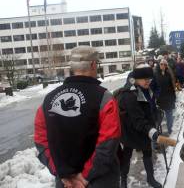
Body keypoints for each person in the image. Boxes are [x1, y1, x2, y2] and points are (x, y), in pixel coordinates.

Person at [34, 46, 121, 188]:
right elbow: (108, 143)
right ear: (93, 65)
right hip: (99, 180)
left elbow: (41, 141)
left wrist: (62, 173)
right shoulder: (104, 98)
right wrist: (83, 176)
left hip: (65, 182)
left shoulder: (48, 100)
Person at [118, 64, 162, 188]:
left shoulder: (147, 87)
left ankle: (150, 178)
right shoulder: (129, 94)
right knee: (126, 157)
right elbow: (137, 120)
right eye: (144, 78)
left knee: (147, 153)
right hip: (130, 131)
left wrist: (155, 113)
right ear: (136, 78)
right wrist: (151, 130)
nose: (148, 81)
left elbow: (150, 106)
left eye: (150, 78)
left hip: (145, 128)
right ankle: (123, 180)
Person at [154, 59, 176, 134]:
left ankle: (170, 130)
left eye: (165, 64)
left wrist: (173, 96)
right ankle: (158, 133)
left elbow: (171, 86)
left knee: (169, 115)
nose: (163, 66)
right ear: (159, 65)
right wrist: (156, 96)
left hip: (169, 98)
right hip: (160, 99)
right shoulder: (155, 74)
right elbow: (153, 87)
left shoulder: (168, 74)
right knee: (159, 118)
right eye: (161, 64)